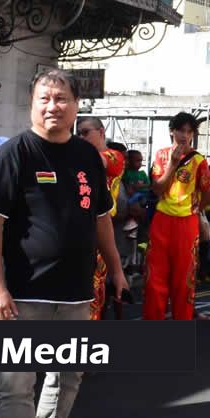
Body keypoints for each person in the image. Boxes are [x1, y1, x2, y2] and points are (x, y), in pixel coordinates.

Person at [0, 69, 126, 418]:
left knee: (67, 377)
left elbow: (101, 219)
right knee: (16, 385)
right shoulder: (13, 154)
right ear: (32, 104)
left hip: (76, 293)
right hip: (24, 294)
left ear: (76, 105)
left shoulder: (88, 156)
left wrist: (117, 269)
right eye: (44, 99)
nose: (52, 106)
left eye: (61, 99)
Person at [146, 112, 210, 321]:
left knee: (184, 279)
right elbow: (157, 189)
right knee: (154, 278)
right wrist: (172, 165)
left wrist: (194, 210)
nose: (184, 136)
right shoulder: (161, 155)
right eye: (180, 130)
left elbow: (208, 195)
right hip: (162, 220)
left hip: (187, 223)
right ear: (171, 131)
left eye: (189, 132)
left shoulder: (199, 160)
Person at [76, 117, 128, 321]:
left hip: (100, 231)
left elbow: (98, 161)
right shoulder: (80, 155)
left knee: (95, 288)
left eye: (85, 132)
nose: (81, 137)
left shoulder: (114, 156)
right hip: (75, 229)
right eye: (78, 133)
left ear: (101, 132)